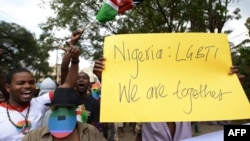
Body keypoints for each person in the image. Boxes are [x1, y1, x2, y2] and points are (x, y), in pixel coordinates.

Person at [92, 57, 244, 141]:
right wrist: (105, 77)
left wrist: (231, 89)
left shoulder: (188, 102)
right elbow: (119, 101)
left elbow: (220, 120)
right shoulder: (142, 101)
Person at [0, 44, 80, 141]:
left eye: (31, 82)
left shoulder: (40, 103)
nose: (27, 86)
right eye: (21, 83)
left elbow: (68, 85)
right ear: (8, 88)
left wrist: (74, 60)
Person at [22, 76, 106, 140]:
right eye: (58, 108)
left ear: (75, 109)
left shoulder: (91, 133)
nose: (63, 113)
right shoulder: (34, 137)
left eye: (68, 108)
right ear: (51, 108)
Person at [61, 29, 101, 129]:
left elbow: (93, 127)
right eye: (78, 78)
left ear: (89, 83)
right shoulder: (68, 96)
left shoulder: (94, 103)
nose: (81, 80)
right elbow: (64, 68)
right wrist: (72, 43)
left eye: (84, 78)